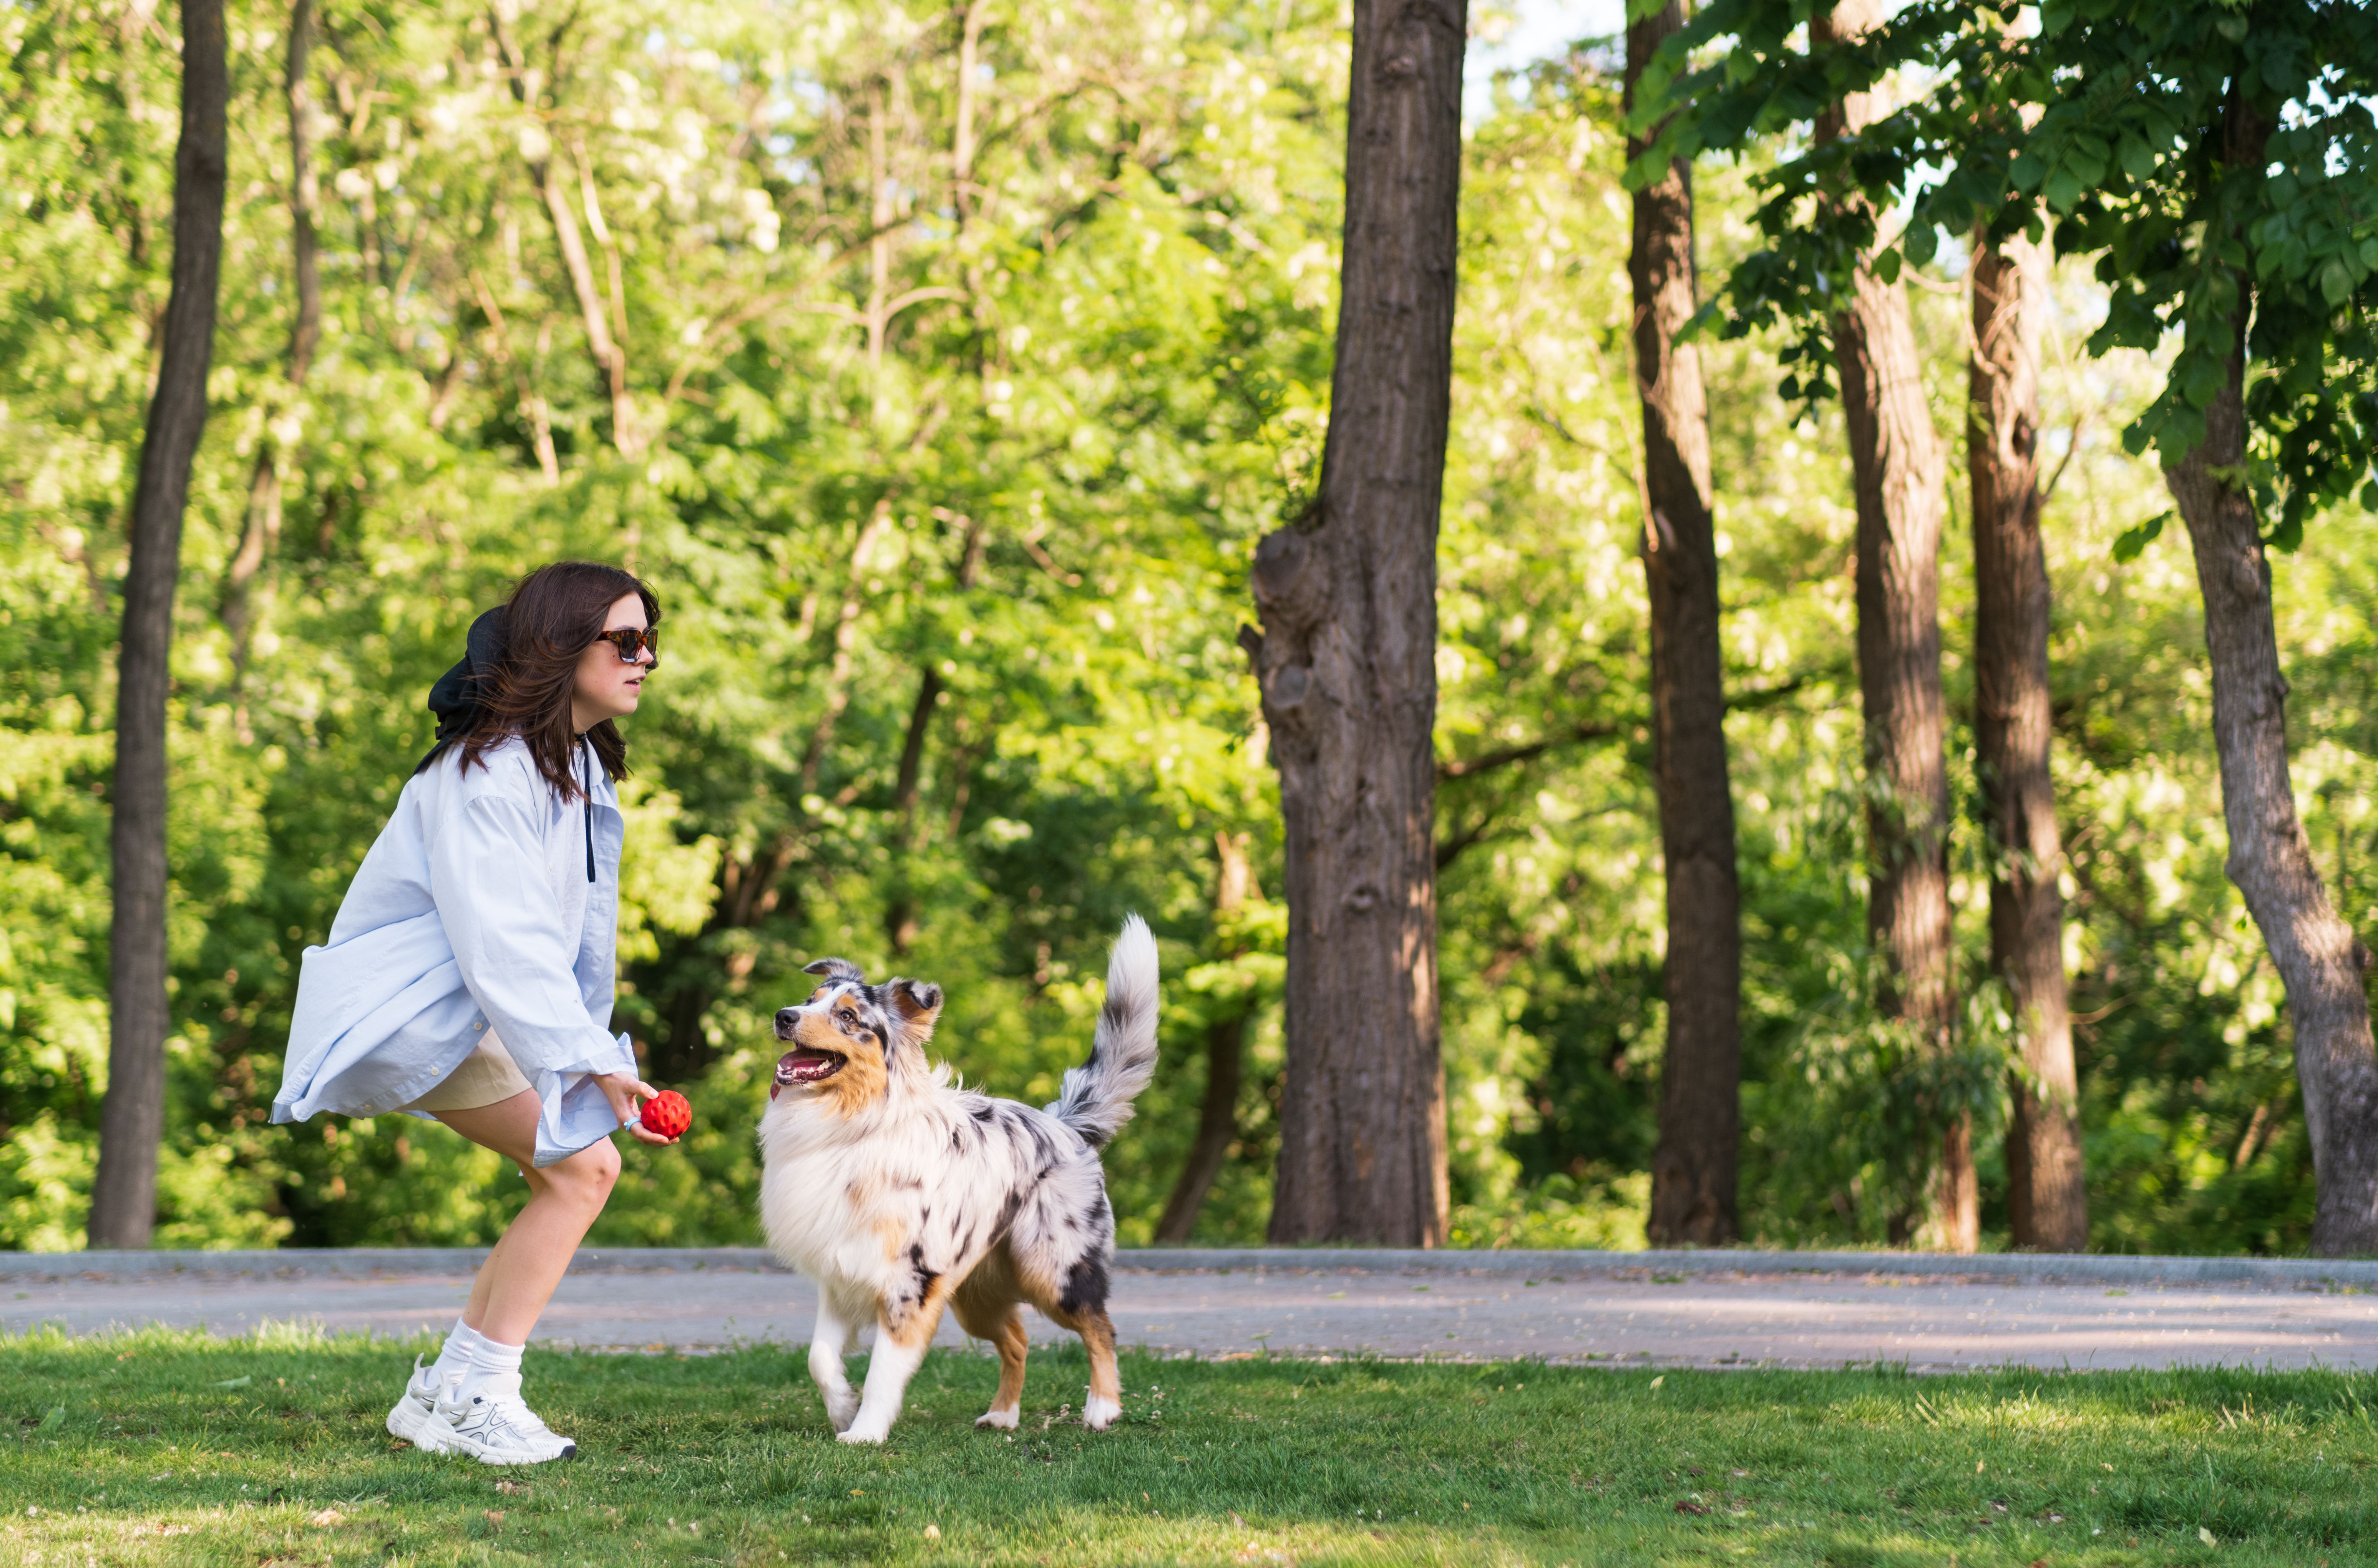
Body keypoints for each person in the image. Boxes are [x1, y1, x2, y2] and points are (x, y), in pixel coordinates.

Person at [272, 560, 675, 1465]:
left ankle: (447, 1393)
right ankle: (483, 1392)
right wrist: (586, 1058)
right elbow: (503, 941)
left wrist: (591, 1051)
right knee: (583, 1172)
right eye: (624, 640)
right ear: (563, 643)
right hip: (422, 1009)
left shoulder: (565, 760)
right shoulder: (488, 770)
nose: (644, 657)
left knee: (569, 1170)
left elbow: (554, 938)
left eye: (650, 639)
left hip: (478, 1007)